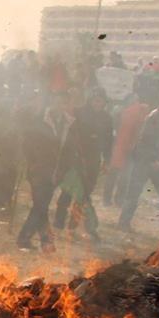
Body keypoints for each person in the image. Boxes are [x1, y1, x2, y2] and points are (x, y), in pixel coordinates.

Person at [117, 89, 159, 236]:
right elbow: (145, 141)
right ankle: (123, 223)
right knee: (133, 194)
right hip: (145, 162)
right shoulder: (153, 117)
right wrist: (154, 159)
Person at [53, 89, 113, 241]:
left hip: (93, 161)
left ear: (105, 103)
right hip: (75, 159)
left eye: (100, 101)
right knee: (67, 192)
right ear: (90, 101)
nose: (97, 104)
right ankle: (58, 224)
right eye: (95, 100)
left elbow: (108, 141)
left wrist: (107, 159)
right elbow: (70, 134)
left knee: (84, 195)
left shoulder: (107, 119)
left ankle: (72, 227)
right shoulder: (79, 114)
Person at [15, 92, 63, 251]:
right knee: (41, 204)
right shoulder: (38, 120)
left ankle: (44, 240)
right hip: (39, 169)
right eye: (57, 102)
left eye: (62, 103)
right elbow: (26, 144)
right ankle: (28, 238)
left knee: (41, 205)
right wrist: (31, 162)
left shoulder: (64, 121)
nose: (59, 105)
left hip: (54, 169)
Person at [102, 94, 149, 206]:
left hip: (120, 145)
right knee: (122, 175)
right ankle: (117, 199)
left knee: (116, 174)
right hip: (126, 146)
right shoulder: (137, 112)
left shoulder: (123, 112)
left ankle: (108, 199)